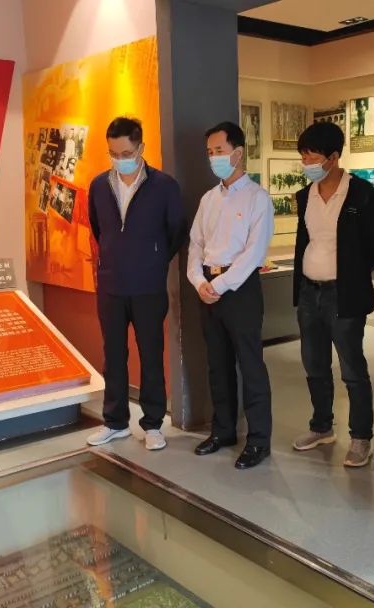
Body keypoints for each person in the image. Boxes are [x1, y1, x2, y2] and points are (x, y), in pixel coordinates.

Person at [290, 121, 374, 467]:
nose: (306, 163)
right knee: (314, 363)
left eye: (312, 157)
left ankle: (361, 437)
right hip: (309, 291)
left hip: (343, 294)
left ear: (333, 157)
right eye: (303, 156)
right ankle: (321, 427)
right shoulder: (305, 195)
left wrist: (351, 267)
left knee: (352, 367)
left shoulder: (363, 195)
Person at [86, 117, 186, 451]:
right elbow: (99, 229)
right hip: (111, 286)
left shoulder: (164, 186)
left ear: (141, 147)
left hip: (148, 286)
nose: (120, 159)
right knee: (113, 355)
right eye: (114, 153)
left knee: (151, 355)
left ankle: (153, 423)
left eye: (126, 153)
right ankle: (115, 422)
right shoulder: (99, 186)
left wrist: (154, 259)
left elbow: (176, 231)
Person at [188, 121, 275, 470]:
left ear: (238, 153)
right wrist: (199, 281)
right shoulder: (208, 199)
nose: (214, 158)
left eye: (220, 151)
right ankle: (222, 430)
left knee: (250, 365)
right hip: (207, 288)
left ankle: (258, 440)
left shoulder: (258, 199)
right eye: (210, 152)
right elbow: (195, 244)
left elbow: (254, 253)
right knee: (218, 364)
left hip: (239, 289)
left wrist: (220, 285)